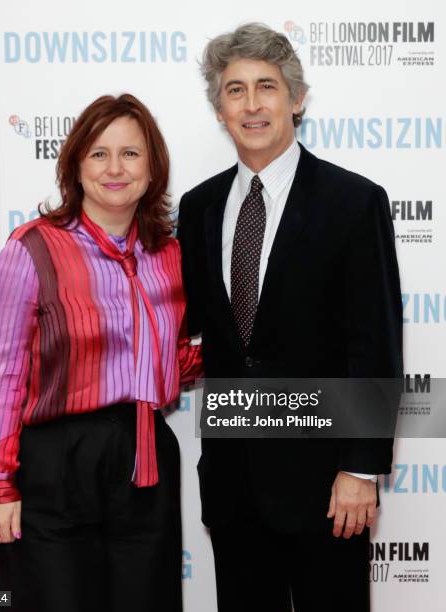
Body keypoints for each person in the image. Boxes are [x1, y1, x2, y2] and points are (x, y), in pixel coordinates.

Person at [177, 23, 402, 612]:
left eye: (267, 87)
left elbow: (376, 344)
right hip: (232, 484)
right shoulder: (198, 208)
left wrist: (361, 468)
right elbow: (198, 332)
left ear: (296, 99)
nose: (252, 105)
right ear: (219, 107)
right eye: (234, 90)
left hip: (328, 486)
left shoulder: (354, 202)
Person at [0, 93, 201, 612]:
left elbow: (177, 356)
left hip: (146, 457)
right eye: (99, 154)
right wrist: (0, 483)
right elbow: (5, 374)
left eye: (131, 154)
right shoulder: (31, 250)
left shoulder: (171, 255)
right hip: (55, 460)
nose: (115, 169)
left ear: (153, 167)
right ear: (75, 164)